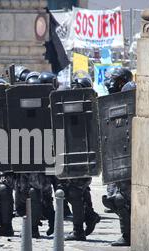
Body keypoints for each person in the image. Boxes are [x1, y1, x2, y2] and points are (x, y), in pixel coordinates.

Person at [56, 74, 101, 241]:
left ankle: (78, 231)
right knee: (76, 191)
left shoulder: (92, 107)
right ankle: (89, 216)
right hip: (71, 154)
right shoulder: (68, 105)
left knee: (75, 192)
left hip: (84, 155)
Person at [102, 67, 135, 246]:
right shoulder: (110, 104)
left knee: (123, 200)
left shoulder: (131, 104)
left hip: (135, 161)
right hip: (120, 159)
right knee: (118, 200)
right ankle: (128, 235)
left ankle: (130, 235)